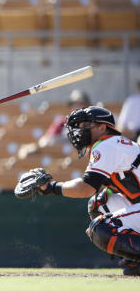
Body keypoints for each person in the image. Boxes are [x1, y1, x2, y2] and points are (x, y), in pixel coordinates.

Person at [16, 106, 140, 276]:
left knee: (100, 228)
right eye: (79, 127)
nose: (80, 131)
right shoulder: (116, 144)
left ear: (102, 127)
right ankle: (134, 260)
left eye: (85, 125)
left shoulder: (106, 145)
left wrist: (51, 187)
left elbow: (85, 188)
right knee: (99, 203)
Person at [18, 89, 91, 159]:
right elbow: (46, 140)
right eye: (76, 105)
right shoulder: (63, 122)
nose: (79, 108)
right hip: (62, 157)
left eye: (82, 104)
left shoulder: (93, 124)